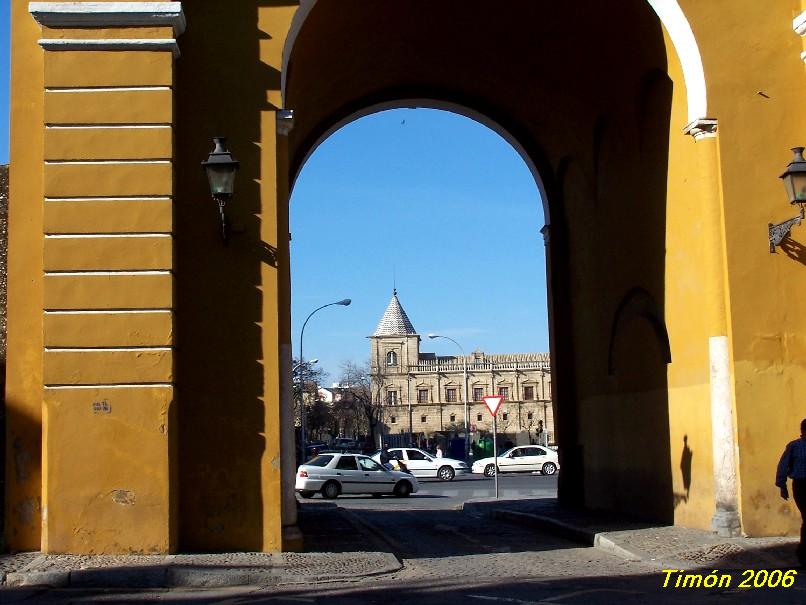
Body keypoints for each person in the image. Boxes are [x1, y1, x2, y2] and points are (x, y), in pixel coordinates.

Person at [776, 418, 806, 566]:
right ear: (803, 432)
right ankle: (803, 553)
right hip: (801, 486)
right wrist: (782, 485)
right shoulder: (794, 446)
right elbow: (783, 466)